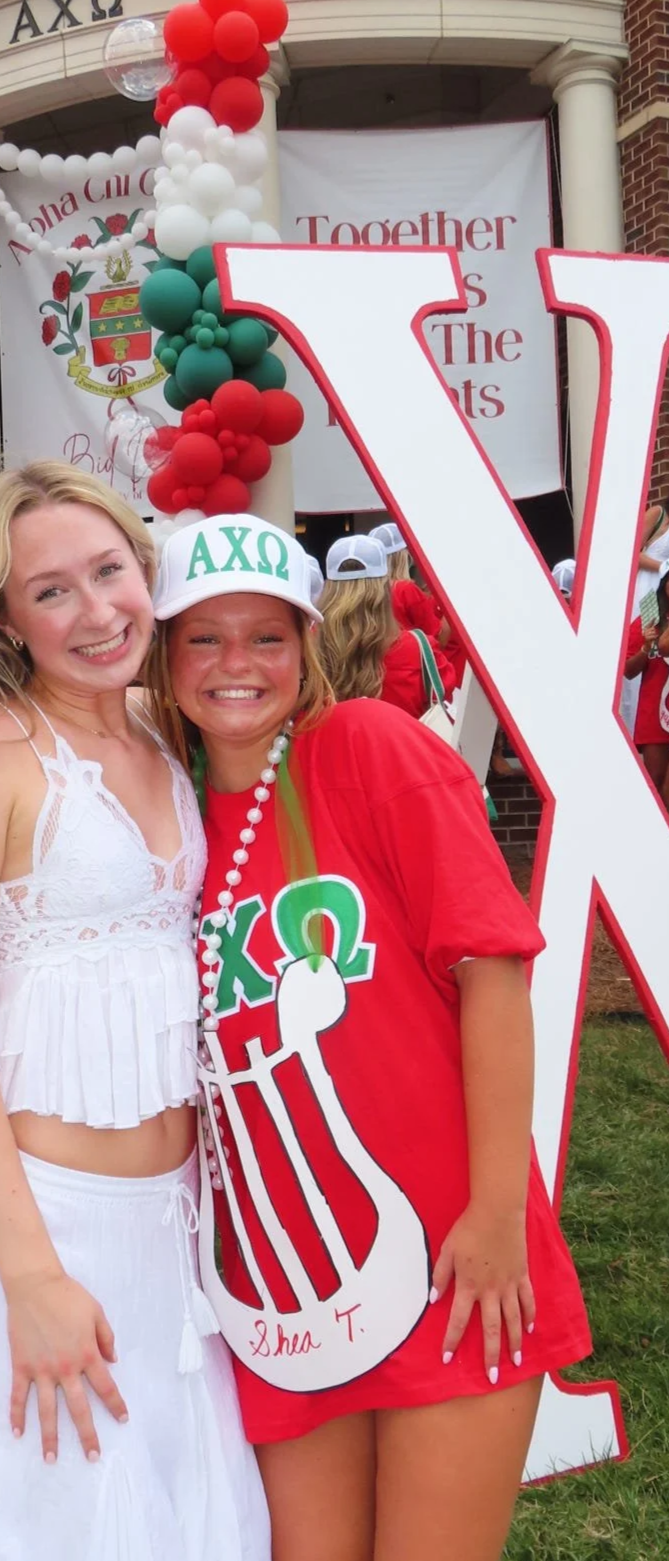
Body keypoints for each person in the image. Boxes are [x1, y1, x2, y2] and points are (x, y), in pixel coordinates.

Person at [0, 463, 268, 1561]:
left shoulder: (167, 739)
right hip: (31, 1233)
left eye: (108, 572)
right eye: (51, 592)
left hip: (175, 1237)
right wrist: (32, 1280)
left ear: (144, 568)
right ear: (6, 621)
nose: (95, 612)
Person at [147, 512, 591, 1561]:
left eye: (266, 636)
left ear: (307, 646)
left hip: (449, 1257)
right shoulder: (159, 820)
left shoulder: (367, 748)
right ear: (161, 657)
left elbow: (490, 977)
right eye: (202, 638)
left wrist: (491, 1217)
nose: (235, 665)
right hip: (280, 1287)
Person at [320, 534, 456, 716]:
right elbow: (445, 691)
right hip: (401, 743)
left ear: (330, 589)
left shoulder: (309, 649)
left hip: (333, 744)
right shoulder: (418, 649)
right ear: (385, 587)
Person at [621, 492, 669, 733]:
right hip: (649, 590)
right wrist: (663, 565)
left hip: (666, 592)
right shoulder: (658, 514)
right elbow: (630, 551)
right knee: (646, 646)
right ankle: (630, 728)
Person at [623, 559, 669, 805]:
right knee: (654, 785)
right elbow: (628, 671)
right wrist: (647, 647)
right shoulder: (651, 610)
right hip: (654, 712)